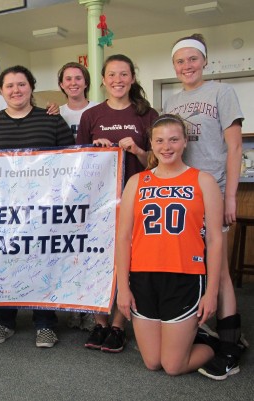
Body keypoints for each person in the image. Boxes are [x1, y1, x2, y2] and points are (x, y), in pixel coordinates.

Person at [0, 65, 74, 347]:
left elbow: (72, 162)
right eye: (10, 86)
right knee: (5, 262)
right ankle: (4, 320)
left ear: (32, 87)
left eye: (22, 84)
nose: (16, 90)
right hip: (1, 212)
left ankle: (45, 323)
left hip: (43, 210)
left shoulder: (52, 121)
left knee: (43, 261)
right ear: (1, 91)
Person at [164, 33, 245, 380]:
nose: (187, 66)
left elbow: (235, 148)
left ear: (205, 61)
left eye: (192, 59)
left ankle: (230, 346)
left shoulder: (222, 93)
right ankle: (197, 329)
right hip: (183, 196)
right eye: (180, 61)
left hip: (213, 191)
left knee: (220, 271)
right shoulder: (172, 100)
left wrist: (230, 197)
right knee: (190, 265)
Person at [116, 114, 222, 375]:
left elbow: (215, 239)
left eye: (174, 139)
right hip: (143, 277)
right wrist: (122, 288)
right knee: (153, 362)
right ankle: (184, 336)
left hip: (185, 276)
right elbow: (123, 236)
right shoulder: (137, 182)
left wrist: (211, 292)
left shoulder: (203, 181)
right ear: (151, 143)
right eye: (160, 140)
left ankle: (216, 344)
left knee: (173, 366)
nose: (167, 146)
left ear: (185, 142)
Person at [77, 54, 158, 353]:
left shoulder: (147, 114)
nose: (118, 80)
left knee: (128, 262)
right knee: (97, 260)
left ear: (132, 78)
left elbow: (159, 162)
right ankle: (99, 321)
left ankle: (118, 325)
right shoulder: (91, 115)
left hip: (135, 199)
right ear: (103, 79)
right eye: (112, 75)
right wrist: (95, 150)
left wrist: (136, 148)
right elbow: (79, 162)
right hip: (98, 203)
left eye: (124, 74)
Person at [57, 62, 99, 332]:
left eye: (78, 78)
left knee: (91, 250)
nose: (73, 83)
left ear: (86, 82)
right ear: (61, 84)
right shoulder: (54, 112)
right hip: (65, 191)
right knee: (69, 251)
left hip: (94, 189)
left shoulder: (98, 110)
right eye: (68, 79)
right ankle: (74, 306)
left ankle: (91, 306)